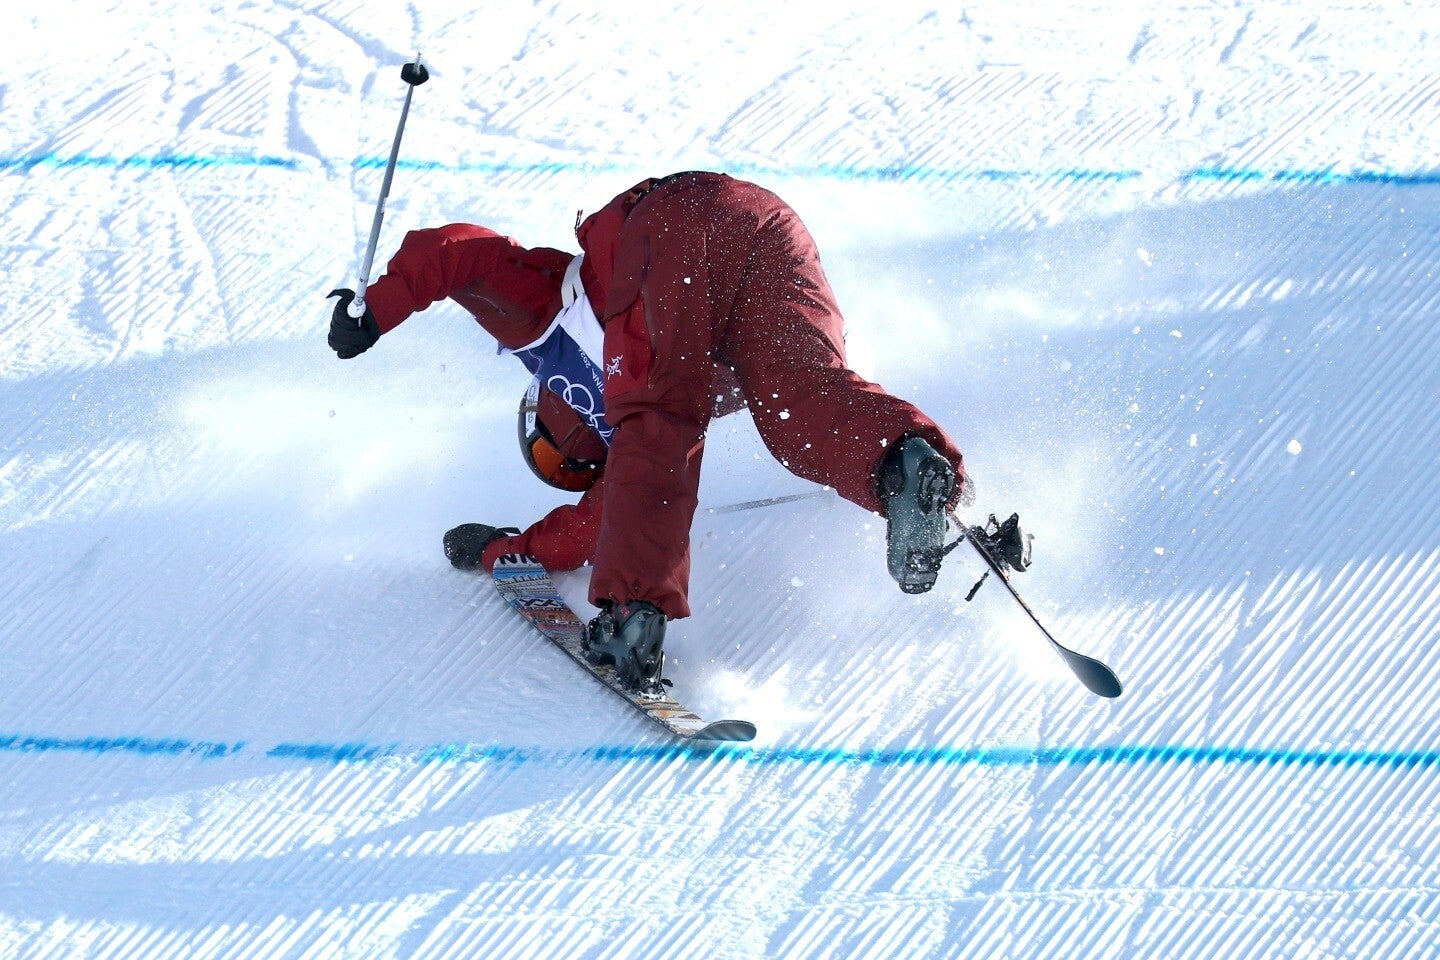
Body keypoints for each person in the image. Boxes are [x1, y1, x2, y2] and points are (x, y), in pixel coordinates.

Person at [328, 171, 971, 693]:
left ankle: (633, 615)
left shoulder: (542, 331)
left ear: (540, 407)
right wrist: (506, 549)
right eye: (566, 472)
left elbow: (456, 253)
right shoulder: (625, 463)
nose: (574, 460)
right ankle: (901, 465)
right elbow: (593, 528)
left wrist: (376, 308)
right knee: (797, 403)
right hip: (767, 228)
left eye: (551, 454)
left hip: (669, 226)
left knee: (657, 423)